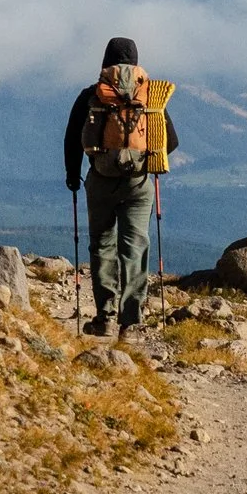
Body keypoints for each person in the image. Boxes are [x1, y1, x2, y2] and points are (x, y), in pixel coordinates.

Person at [63, 35, 178, 337]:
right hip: (139, 184)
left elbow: (73, 139)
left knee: (102, 245)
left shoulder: (93, 94)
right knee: (135, 247)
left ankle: (105, 318)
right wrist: (146, 158)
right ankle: (132, 322)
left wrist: (73, 176)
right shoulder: (150, 96)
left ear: (105, 61)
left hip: (100, 181)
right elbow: (172, 141)